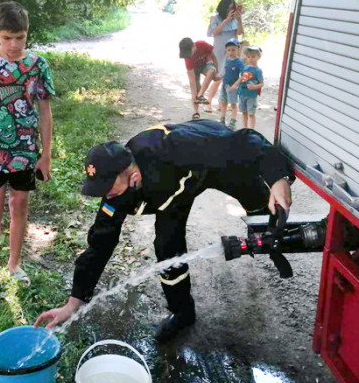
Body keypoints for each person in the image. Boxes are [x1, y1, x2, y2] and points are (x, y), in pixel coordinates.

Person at [34, 120, 294, 342]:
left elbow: (244, 140)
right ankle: (182, 313)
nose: (105, 194)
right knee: (167, 247)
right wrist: (74, 301)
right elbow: (100, 244)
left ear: (132, 173)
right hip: (175, 195)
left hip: (211, 167)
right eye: (99, 187)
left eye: (108, 185)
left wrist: (278, 179)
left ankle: (274, 239)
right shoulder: (115, 194)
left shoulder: (174, 146)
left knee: (265, 210)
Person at [0, 1, 55, 289]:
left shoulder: (38, 65)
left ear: (28, 34)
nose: (14, 44)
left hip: (25, 153)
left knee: (19, 205)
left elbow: (45, 113)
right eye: (7, 38)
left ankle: (14, 263)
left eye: (20, 37)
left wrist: (46, 154)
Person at [205, 0, 244, 113]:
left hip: (232, 51)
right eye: (228, 8)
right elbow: (215, 32)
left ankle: (221, 103)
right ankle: (208, 102)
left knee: (228, 78)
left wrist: (239, 20)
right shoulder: (214, 18)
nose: (230, 11)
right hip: (218, 50)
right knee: (217, 77)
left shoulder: (235, 20)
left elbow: (240, 33)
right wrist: (226, 20)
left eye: (232, 8)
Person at [178, 37, 219, 120]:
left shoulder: (202, 44)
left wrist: (216, 73)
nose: (189, 55)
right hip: (195, 69)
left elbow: (214, 58)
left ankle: (201, 94)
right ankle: (196, 112)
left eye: (190, 52)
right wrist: (193, 93)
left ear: (194, 46)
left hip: (206, 64)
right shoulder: (187, 58)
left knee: (211, 71)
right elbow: (192, 79)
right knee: (195, 90)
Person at [231, 46, 263, 130]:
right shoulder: (245, 68)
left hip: (251, 96)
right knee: (244, 112)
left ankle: (251, 130)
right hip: (242, 93)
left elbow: (261, 83)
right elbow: (241, 78)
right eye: (249, 57)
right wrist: (235, 85)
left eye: (253, 57)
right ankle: (245, 128)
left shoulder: (258, 71)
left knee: (251, 113)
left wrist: (254, 86)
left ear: (258, 57)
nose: (250, 59)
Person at [218, 38, 243, 129]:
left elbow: (243, 75)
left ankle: (233, 121)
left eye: (233, 50)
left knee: (233, 104)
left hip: (232, 86)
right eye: (229, 50)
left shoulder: (239, 62)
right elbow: (224, 71)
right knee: (223, 102)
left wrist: (236, 84)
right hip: (224, 84)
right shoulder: (227, 60)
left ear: (238, 49)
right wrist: (220, 76)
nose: (231, 52)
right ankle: (222, 118)